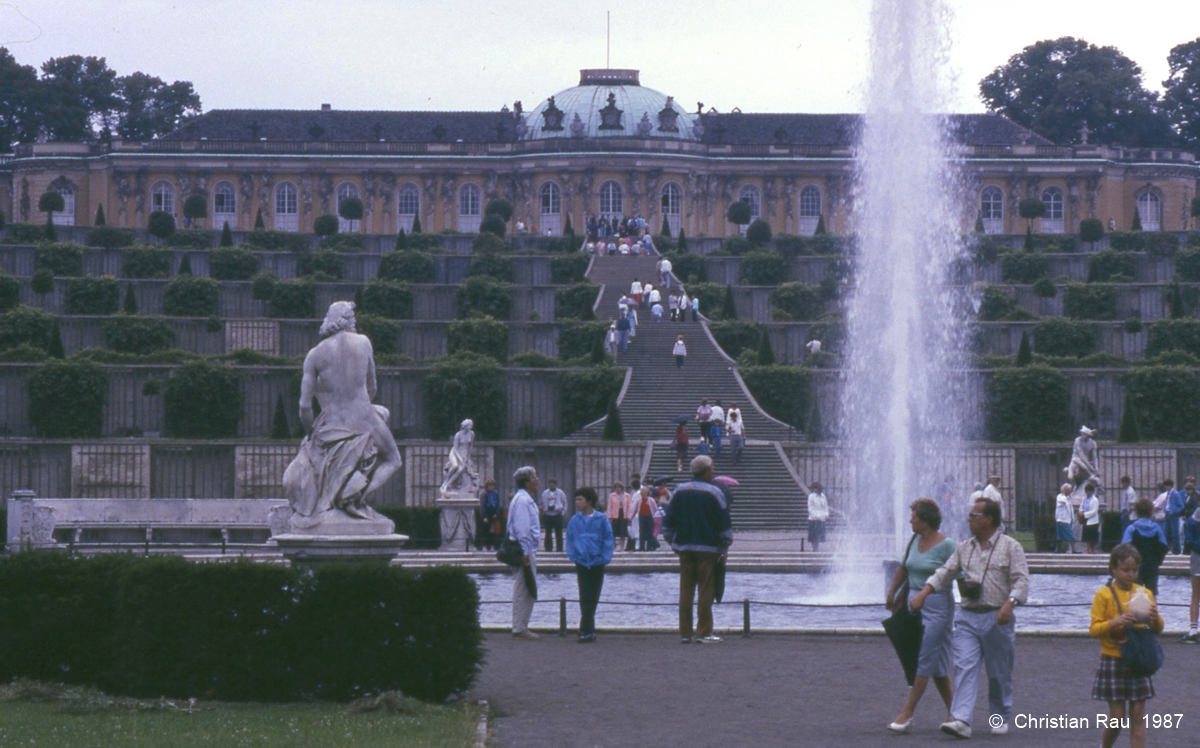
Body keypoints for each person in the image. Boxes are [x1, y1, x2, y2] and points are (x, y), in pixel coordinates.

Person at [912, 497, 1029, 739]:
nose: (969, 519)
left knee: (999, 674)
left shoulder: (1010, 547)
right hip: (967, 617)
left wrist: (1010, 603)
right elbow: (945, 572)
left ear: (988, 519)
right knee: (964, 667)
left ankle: (999, 717)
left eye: (974, 515)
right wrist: (924, 592)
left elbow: (1021, 580)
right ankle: (961, 720)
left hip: (997, 617)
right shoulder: (964, 547)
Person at [284, 301, 402, 531]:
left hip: (332, 423)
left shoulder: (315, 354)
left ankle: (346, 494)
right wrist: (363, 406)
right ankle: (356, 496)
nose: (355, 322)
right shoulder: (364, 342)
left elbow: (304, 407)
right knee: (394, 459)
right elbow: (372, 387)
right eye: (353, 318)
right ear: (346, 320)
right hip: (364, 418)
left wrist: (312, 434)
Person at [885, 498, 958, 735]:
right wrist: (892, 591)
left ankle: (906, 714)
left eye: (914, 516)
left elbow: (959, 573)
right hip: (914, 606)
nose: (910, 520)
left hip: (937, 607)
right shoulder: (914, 539)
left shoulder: (947, 545)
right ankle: (955, 713)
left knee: (924, 657)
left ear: (925, 521)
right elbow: (904, 567)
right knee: (936, 664)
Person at [1089, 544, 1164, 748]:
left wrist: (1155, 618)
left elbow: (1158, 629)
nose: (1131, 575)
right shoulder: (1103, 595)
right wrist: (1116, 622)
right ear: (1113, 569)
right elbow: (1094, 629)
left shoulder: (1145, 593)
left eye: (1134, 570)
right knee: (1117, 719)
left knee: (1138, 718)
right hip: (1113, 657)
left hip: (1138, 658)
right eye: (1125, 570)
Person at [662, 455, 733, 644]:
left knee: (685, 589)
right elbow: (724, 522)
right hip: (708, 547)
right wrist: (725, 544)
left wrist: (672, 541)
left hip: (684, 545)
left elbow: (668, 520)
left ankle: (685, 633)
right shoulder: (715, 492)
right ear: (708, 471)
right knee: (705, 589)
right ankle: (703, 632)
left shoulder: (679, 490)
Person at [565, 487, 614, 643]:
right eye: (576, 499)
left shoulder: (602, 519)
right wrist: (574, 556)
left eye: (580, 499)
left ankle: (586, 629)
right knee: (585, 595)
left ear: (589, 501)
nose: (577, 502)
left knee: (593, 596)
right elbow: (570, 539)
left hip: (597, 562)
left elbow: (608, 540)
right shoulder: (574, 520)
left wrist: (604, 558)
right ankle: (586, 629)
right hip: (582, 562)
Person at [508, 465, 542, 640]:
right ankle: (520, 627)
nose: (537, 481)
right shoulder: (523, 500)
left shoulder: (522, 498)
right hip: (524, 551)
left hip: (525, 550)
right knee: (524, 588)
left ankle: (520, 625)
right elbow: (522, 529)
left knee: (524, 587)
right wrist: (526, 552)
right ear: (527, 482)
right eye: (535, 478)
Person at [1122, 497, 1169, 596]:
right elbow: (1164, 547)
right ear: (1151, 512)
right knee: (1152, 596)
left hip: (1134, 568)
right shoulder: (1157, 529)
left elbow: (1124, 548)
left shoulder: (1132, 529)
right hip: (1152, 566)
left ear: (1137, 512)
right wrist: (1158, 560)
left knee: (1134, 595)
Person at [439, 419, 478, 496]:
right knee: (455, 466)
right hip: (455, 453)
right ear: (464, 426)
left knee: (460, 470)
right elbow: (455, 448)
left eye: (471, 425)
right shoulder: (458, 435)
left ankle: (447, 485)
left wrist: (468, 457)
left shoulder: (471, 434)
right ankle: (446, 481)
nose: (470, 427)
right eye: (469, 425)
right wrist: (460, 459)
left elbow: (471, 446)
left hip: (464, 454)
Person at [1181, 492, 1200, 643]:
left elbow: (1190, 541)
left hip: (1197, 558)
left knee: (1195, 595)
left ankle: (1193, 629)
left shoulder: (1192, 520)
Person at [540, 477, 567, 553]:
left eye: (553, 484)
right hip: (547, 514)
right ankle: (548, 549)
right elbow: (542, 503)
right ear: (548, 485)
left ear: (556, 485)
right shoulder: (545, 493)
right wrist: (544, 511)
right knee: (548, 533)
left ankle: (559, 549)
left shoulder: (560, 493)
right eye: (550, 484)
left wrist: (562, 513)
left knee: (558, 533)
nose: (552, 486)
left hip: (557, 514)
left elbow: (565, 503)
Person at [631, 485, 659, 552]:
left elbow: (655, 509)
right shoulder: (639, 501)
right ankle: (642, 547)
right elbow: (634, 509)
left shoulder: (651, 500)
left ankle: (649, 546)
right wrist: (631, 517)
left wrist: (656, 517)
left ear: (646, 493)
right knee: (642, 532)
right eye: (641, 492)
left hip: (649, 517)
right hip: (642, 517)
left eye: (643, 492)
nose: (642, 493)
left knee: (649, 532)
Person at [476, 479, 502, 551]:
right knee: (485, 530)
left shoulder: (495, 493)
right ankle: (485, 545)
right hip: (487, 512)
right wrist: (484, 516)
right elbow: (482, 505)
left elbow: (497, 503)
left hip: (493, 512)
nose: (491, 487)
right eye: (489, 486)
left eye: (492, 486)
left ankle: (493, 545)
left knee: (493, 530)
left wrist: (496, 513)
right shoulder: (484, 494)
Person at [606, 481, 631, 550]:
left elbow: (629, 506)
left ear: (621, 488)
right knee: (614, 531)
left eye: (619, 487)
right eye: (616, 488)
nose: (617, 489)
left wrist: (628, 516)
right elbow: (609, 506)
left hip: (623, 514)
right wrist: (609, 516)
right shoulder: (612, 496)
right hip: (615, 515)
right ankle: (613, 546)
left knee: (622, 531)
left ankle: (622, 547)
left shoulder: (627, 495)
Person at [1055, 482, 1076, 553]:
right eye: (1068, 490)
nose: (1069, 491)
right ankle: (1073, 549)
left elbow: (1070, 509)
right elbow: (1062, 501)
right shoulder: (1060, 497)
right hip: (1062, 519)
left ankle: (1058, 549)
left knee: (1060, 536)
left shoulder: (1068, 498)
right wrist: (1066, 497)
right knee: (1070, 535)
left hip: (1066, 519)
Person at [807, 483, 829, 552]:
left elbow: (826, 507)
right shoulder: (811, 496)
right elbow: (810, 507)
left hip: (821, 518)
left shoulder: (823, 496)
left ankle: (817, 547)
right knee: (813, 535)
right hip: (814, 518)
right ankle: (814, 548)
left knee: (819, 534)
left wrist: (826, 515)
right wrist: (815, 515)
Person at [1081, 481, 1102, 554]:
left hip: (1093, 521)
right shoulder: (1084, 499)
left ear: (1092, 491)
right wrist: (1081, 512)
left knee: (1092, 537)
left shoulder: (1095, 500)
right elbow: (1081, 506)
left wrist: (1085, 514)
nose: (1088, 493)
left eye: (1090, 491)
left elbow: (1094, 511)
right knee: (1087, 536)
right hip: (1085, 520)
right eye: (1087, 491)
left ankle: (1092, 550)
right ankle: (1088, 549)